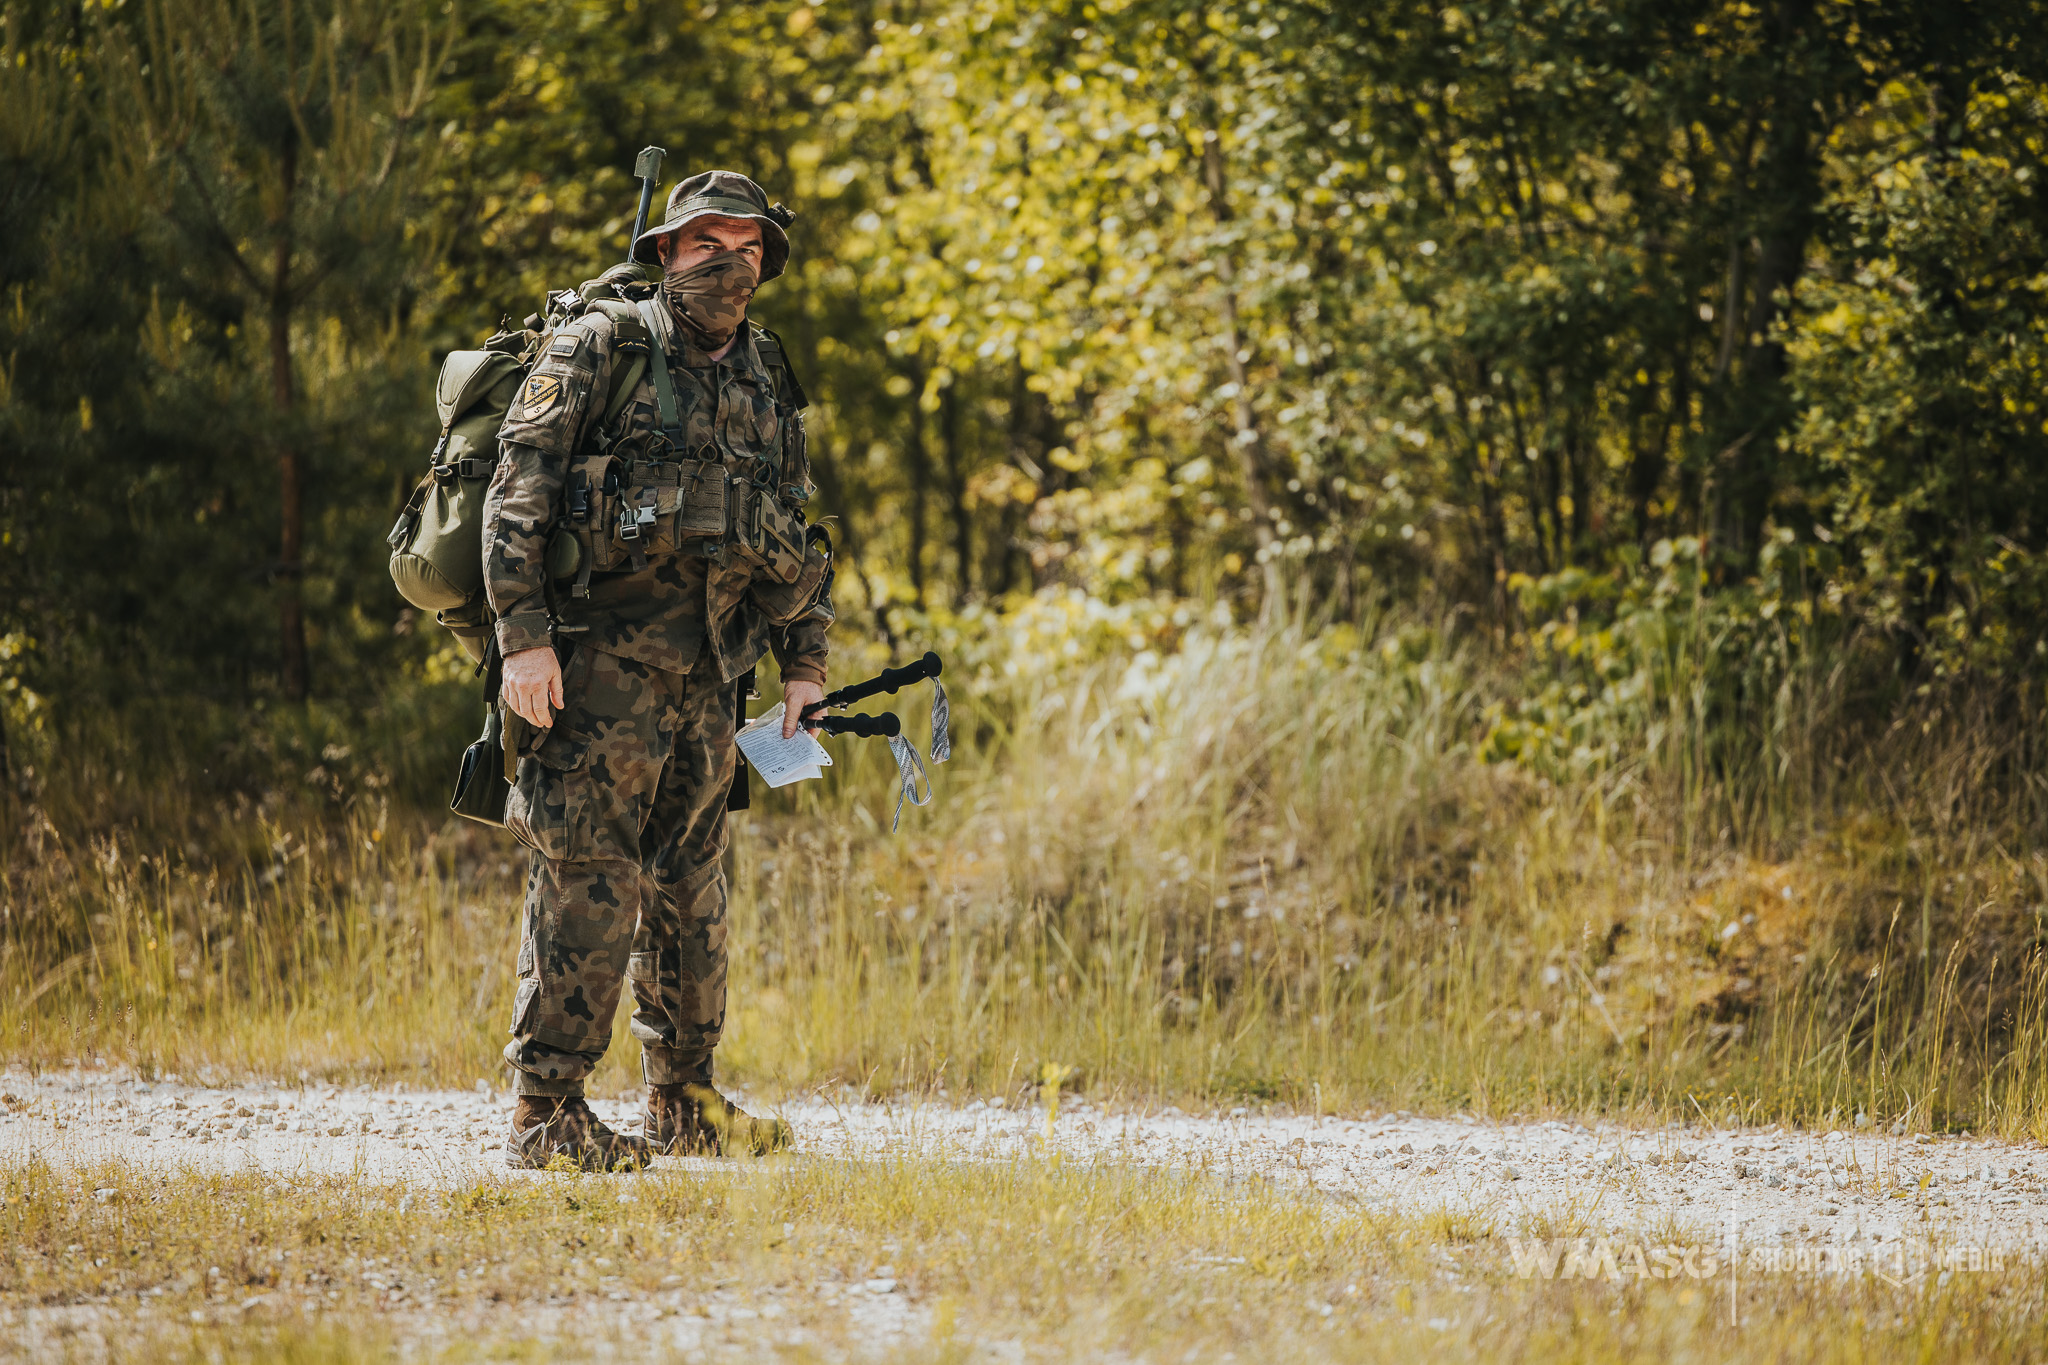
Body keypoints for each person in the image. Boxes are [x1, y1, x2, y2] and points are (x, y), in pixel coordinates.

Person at [482, 170, 830, 1170]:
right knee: (588, 881)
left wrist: (802, 666)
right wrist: (524, 638)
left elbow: (793, 529)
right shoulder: (603, 347)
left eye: (749, 246)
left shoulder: (765, 369)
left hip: (708, 681)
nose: (731, 262)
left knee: (692, 890)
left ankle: (681, 1102)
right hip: (592, 675)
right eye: (707, 242)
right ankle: (544, 1114)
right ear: (667, 253)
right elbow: (520, 489)